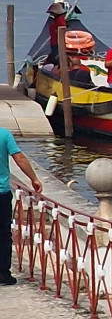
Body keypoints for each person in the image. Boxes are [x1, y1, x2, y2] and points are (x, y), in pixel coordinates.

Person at [0, 121, 45, 285]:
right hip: (2, 193)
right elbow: (19, 158)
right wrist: (33, 179)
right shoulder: (4, 134)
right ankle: (3, 273)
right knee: (3, 233)